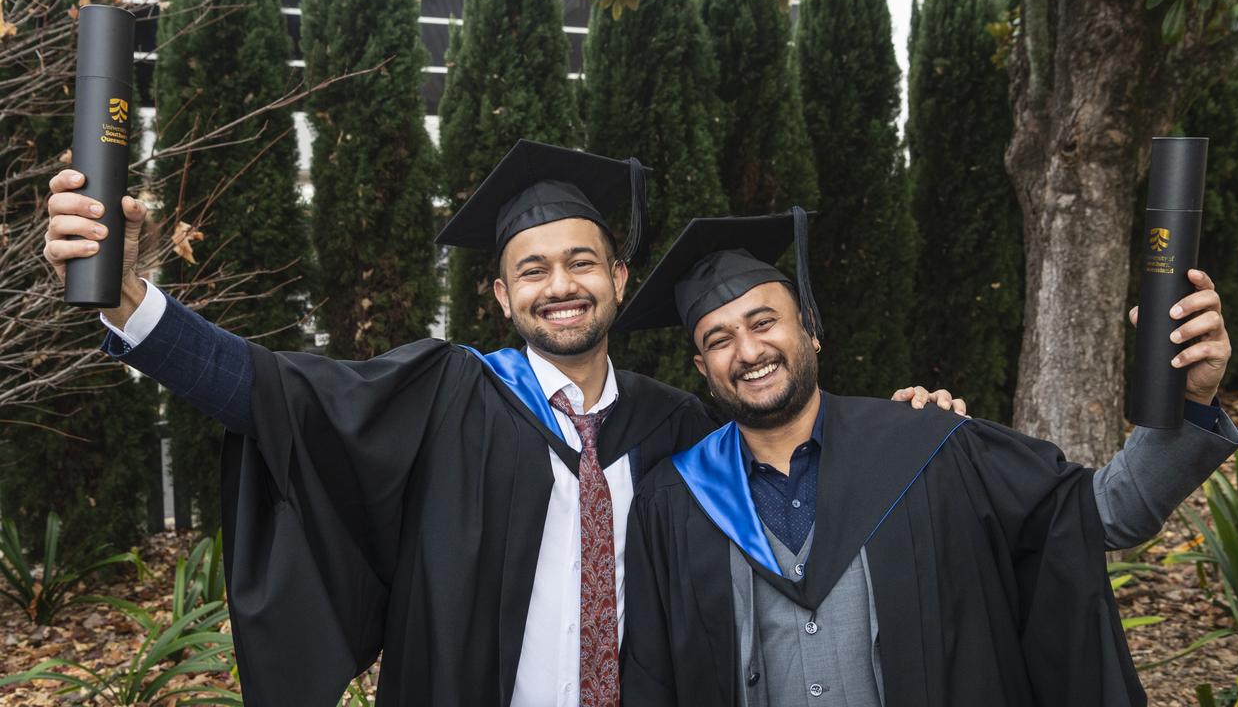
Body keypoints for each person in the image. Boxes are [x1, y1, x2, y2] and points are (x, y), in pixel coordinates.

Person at [42, 141, 960, 706]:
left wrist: (910, 427)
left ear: (617, 279)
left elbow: (796, 457)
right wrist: (132, 304)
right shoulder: (445, 393)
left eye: (581, 263)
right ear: (500, 294)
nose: (560, 286)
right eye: (533, 270)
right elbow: (271, 392)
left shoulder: (679, 427)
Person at [613, 209, 1238, 707]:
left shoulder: (926, 446)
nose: (748, 352)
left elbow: (1107, 513)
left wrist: (1188, 402)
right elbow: (651, 679)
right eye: (718, 340)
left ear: (810, 328)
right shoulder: (674, 502)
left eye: (763, 323)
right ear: (702, 367)